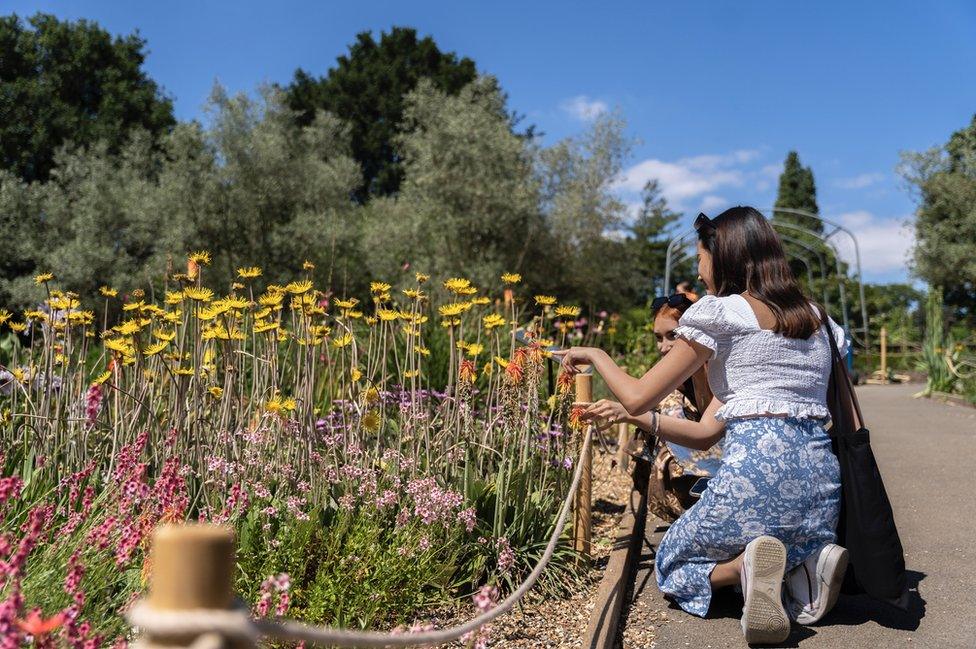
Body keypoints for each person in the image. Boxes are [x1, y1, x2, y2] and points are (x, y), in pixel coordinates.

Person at [555, 207, 848, 644]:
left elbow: (637, 394)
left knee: (672, 561)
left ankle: (745, 567)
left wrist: (597, 356)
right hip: (823, 489)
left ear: (723, 255)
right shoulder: (819, 320)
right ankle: (806, 563)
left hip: (754, 479)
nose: (698, 267)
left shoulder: (721, 314)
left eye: (700, 256)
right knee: (781, 529)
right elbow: (709, 431)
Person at [585, 291, 722, 521]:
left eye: (673, 335)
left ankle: (694, 505)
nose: (663, 347)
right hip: (705, 459)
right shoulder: (683, 378)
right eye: (659, 338)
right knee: (656, 414)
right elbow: (637, 394)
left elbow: (710, 434)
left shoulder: (719, 370)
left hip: (725, 465)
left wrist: (596, 355)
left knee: (663, 409)